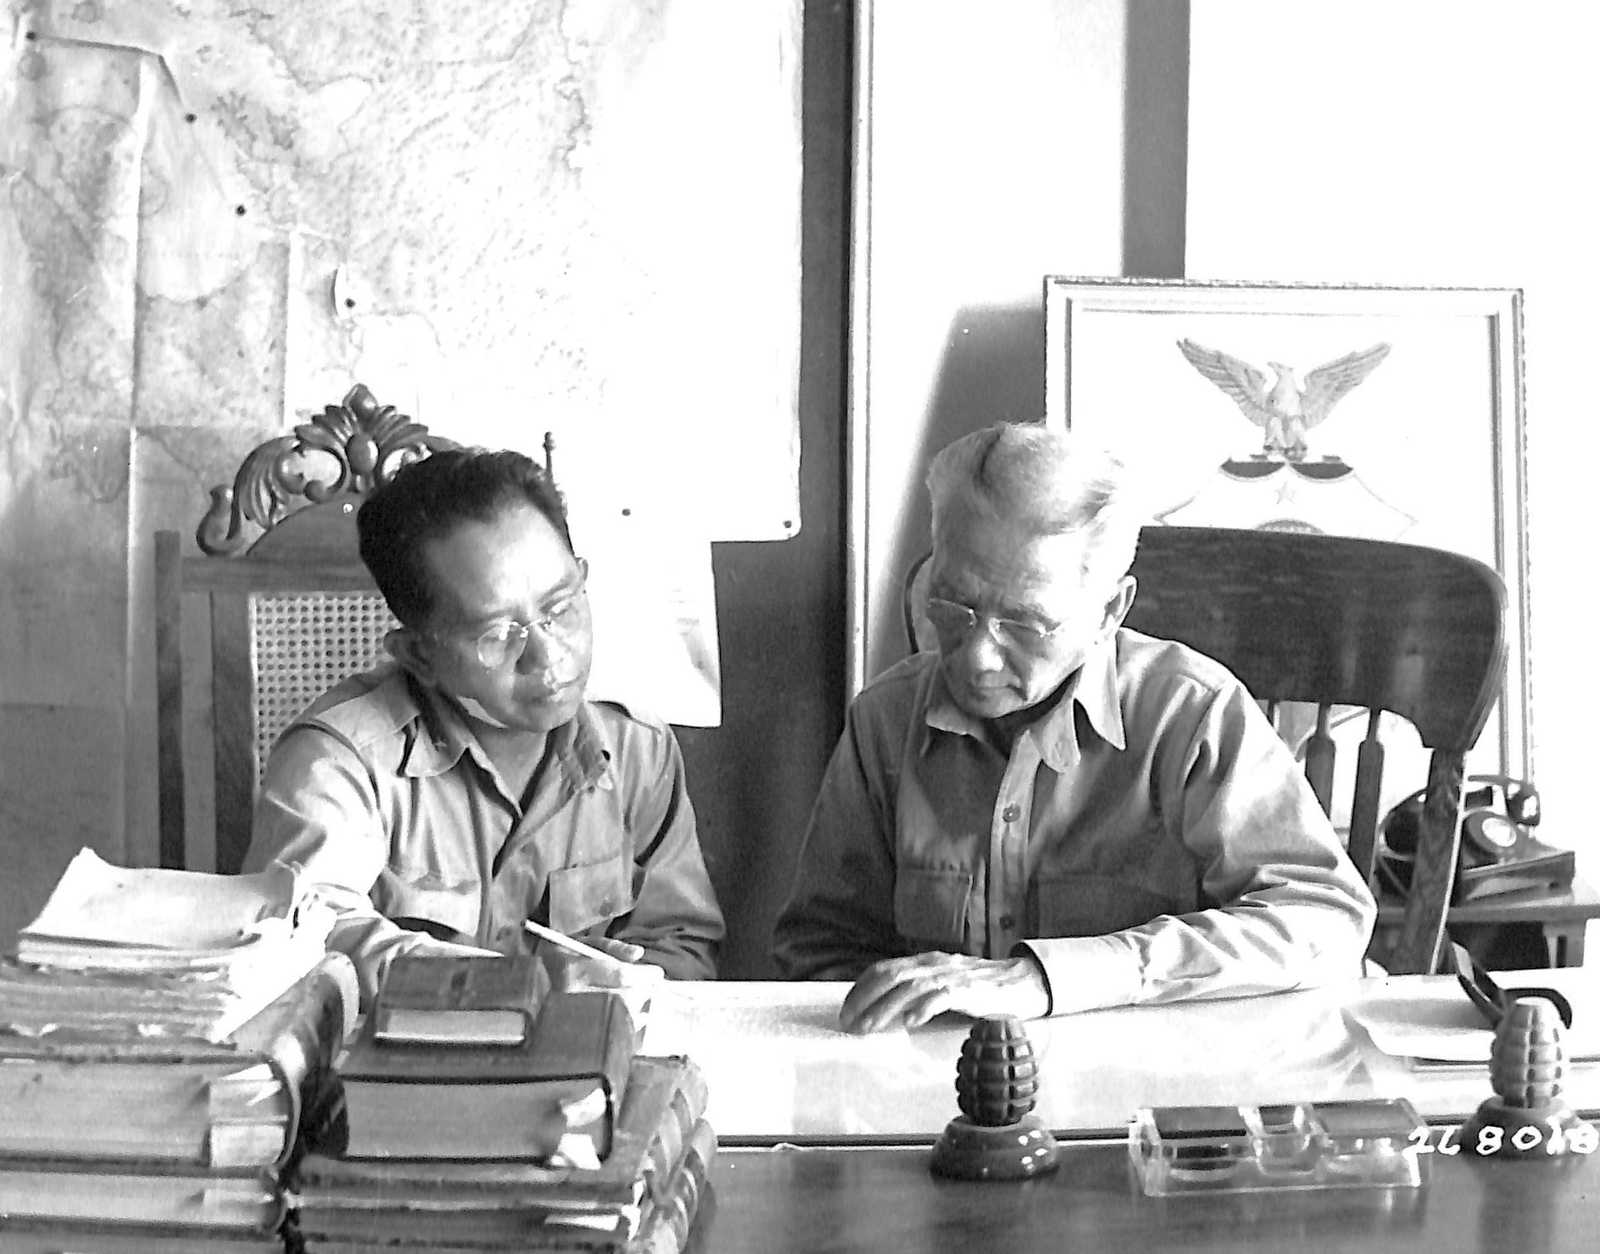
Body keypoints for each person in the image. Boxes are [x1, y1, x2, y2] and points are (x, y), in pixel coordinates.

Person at [772, 421, 1375, 1033]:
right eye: (953, 605)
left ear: (1110, 611)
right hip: (939, 1094)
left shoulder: (1191, 714)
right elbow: (822, 951)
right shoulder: (885, 723)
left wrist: (1055, 977)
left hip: (1151, 1096)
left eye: (1025, 624)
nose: (977, 656)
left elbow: (1323, 917)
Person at [244, 447, 724, 1005]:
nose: (548, 656)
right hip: (394, 1081)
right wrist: (523, 989)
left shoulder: (637, 751)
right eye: (498, 634)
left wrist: (634, 988)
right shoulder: (340, 764)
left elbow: (684, 944)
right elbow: (302, 951)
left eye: (561, 607)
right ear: (419, 656)